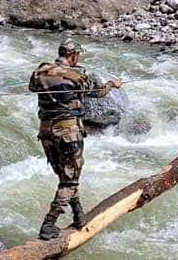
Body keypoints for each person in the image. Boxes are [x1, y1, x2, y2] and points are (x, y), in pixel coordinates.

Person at [28, 38, 122, 240]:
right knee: (70, 180)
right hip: (68, 132)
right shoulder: (76, 74)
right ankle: (49, 223)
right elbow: (96, 93)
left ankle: (79, 214)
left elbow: (32, 87)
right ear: (73, 55)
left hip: (46, 132)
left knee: (65, 176)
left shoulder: (40, 71)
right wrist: (112, 84)